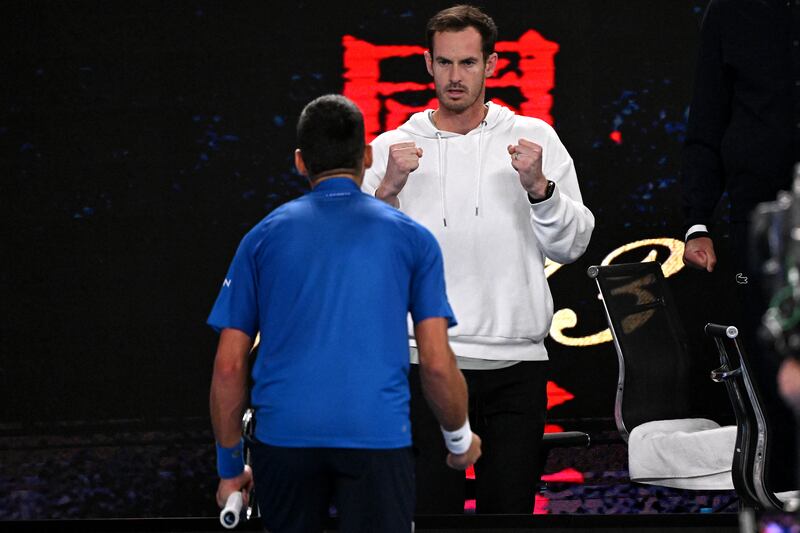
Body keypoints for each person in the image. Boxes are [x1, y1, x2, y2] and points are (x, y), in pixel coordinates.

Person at [207, 94, 481, 533]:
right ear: (367, 155)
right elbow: (434, 361)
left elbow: (228, 365)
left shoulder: (261, 239)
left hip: (284, 442)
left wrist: (229, 468)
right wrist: (459, 440)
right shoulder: (413, 239)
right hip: (376, 439)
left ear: (300, 162)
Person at [362, 5, 595, 514]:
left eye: (468, 63)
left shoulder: (535, 140)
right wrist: (387, 191)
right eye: (444, 63)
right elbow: (361, 260)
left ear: (491, 65)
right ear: (427, 63)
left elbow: (572, 244)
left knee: (508, 514)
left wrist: (539, 188)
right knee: (428, 514)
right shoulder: (389, 148)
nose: (455, 76)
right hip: (422, 361)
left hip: (516, 364)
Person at [680, 0, 799, 491]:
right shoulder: (730, 11)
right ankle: (780, 495)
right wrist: (696, 222)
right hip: (759, 217)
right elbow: (707, 120)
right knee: (767, 357)